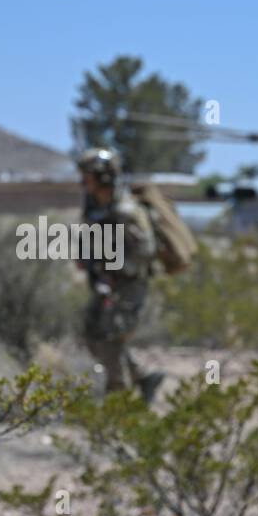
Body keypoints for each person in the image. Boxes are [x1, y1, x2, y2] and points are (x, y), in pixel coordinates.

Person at [76, 147, 164, 402]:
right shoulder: (95, 206)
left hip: (128, 283)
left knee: (111, 339)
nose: (83, 182)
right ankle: (144, 377)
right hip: (105, 282)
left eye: (88, 176)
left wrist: (113, 269)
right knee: (93, 336)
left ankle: (118, 403)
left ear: (103, 176)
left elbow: (144, 251)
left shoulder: (126, 211)